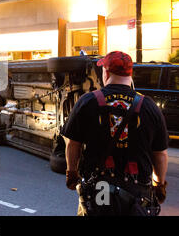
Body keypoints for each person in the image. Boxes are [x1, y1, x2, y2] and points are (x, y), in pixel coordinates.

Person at [62, 51, 169, 216]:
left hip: (98, 192)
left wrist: (72, 173)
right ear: (130, 74)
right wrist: (159, 184)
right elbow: (160, 154)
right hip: (136, 195)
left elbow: (73, 144)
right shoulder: (149, 106)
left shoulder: (87, 101)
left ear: (106, 72)